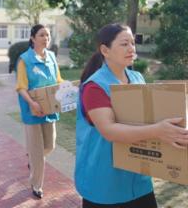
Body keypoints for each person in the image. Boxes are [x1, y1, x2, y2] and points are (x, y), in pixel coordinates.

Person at [75, 23, 188, 208]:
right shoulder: (94, 87)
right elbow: (109, 131)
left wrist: (177, 132)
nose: (131, 49)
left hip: (139, 177)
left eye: (133, 43)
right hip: (105, 181)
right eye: (124, 44)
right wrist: (158, 130)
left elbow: (148, 120)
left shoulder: (137, 78)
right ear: (105, 50)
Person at [16, 24, 63, 199]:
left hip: (49, 108)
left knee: (49, 145)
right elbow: (21, 87)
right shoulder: (24, 60)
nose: (46, 38)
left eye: (48, 35)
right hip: (33, 110)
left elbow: (58, 79)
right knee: (37, 154)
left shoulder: (51, 57)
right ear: (33, 38)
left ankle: (33, 158)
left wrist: (67, 89)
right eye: (42, 35)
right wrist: (32, 103)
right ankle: (36, 185)